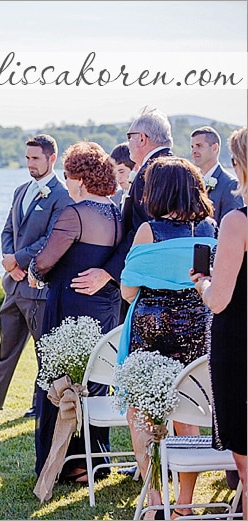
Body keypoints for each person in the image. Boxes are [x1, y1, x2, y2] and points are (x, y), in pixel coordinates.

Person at [119, 157, 217, 519]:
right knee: (187, 415)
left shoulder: (149, 231)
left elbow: (128, 290)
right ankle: (185, 504)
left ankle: (156, 500)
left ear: (158, 191)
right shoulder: (209, 228)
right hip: (196, 329)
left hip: (152, 336)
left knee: (141, 416)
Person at [28, 142, 122, 481]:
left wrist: (34, 273)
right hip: (105, 309)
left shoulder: (75, 212)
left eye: (67, 176)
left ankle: (59, 464)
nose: (66, 183)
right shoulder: (115, 212)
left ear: (80, 179)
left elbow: (47, 259)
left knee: (60, 383)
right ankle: (94, 462)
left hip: (71, 306)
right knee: (95, 382)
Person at [0, 134, 72, 418]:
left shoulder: (62, 196)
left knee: (43, 350)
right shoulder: (21, 190)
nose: (30, 163)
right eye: (27, 158)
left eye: (35, 158)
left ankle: (41, 405)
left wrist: (19, 260)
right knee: (6, 347)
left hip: (39, 286)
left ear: (51, 159)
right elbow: (8, 230)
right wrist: (11, 263)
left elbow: (50, 239)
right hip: (15, 284)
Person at [191, 126, 247, 519]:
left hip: (239, 347)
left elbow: (220, 299)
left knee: (246, 461)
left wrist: (203, 281)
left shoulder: (237, 222)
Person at [69, 108, 174, 318]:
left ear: (142, 138)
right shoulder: (179, 169)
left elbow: (141, 230)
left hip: (147, 280)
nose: (128, 143)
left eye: (130, 136)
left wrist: (109, 272)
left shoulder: (150, 173)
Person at [190, 125, 243, 224]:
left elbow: (234, 225)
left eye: (199, 146)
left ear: (214, 148)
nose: (194, 151)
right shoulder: (191, 182)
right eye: (192, 147)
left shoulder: (230, 185)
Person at [109, 142, 135, 208]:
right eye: (114, 173)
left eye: (121, 171)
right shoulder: (114, 198)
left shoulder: (145, 197)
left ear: (135, 168)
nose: (117, 178)